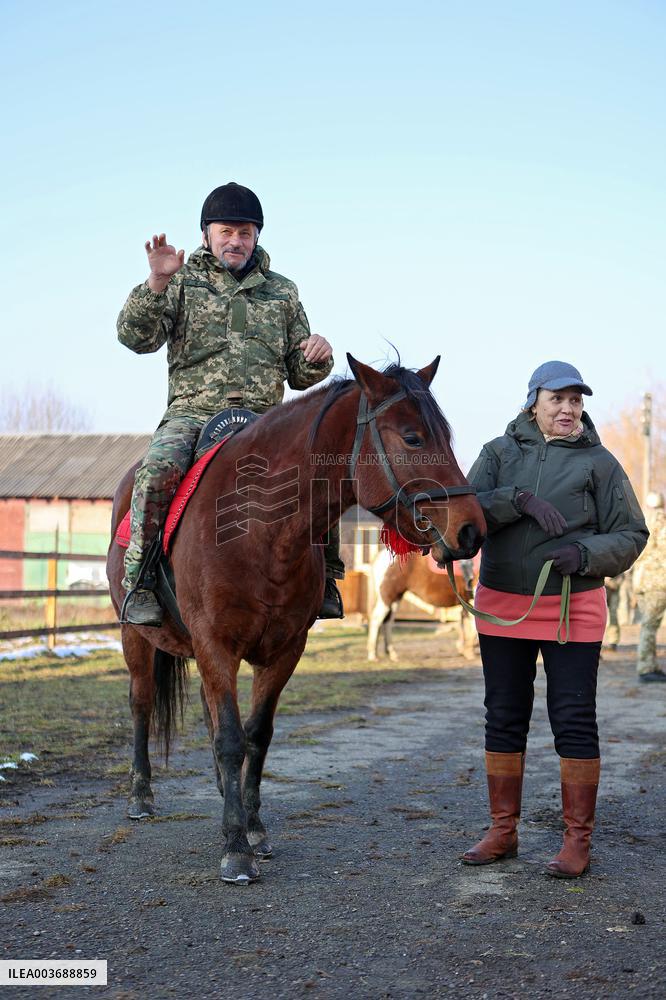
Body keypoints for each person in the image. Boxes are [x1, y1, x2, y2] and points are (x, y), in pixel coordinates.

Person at [117, 182, 344, 626]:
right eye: (226, 231)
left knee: (324, 467)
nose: (235, 240)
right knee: (156, 470)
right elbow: (135, 339)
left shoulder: (283, 292)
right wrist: (156, 283)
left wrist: (318, 355)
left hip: (264, 421)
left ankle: (328, 580)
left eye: (245, 232)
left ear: (257, 237)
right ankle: (140, 583)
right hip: (192, 415)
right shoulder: (179, 281)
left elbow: (300, 374)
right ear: (207, 235)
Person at [461, 361, 648, 878]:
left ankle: (577, 841)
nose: (568, 409)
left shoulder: (600, 463)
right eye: (557, 399)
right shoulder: (497, 453)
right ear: (533, 403)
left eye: (576, 401)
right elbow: (468, 511)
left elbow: (632, 533)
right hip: (502, 604)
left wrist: (584, 555)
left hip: (572, 607)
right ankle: (503, 831)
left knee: (572, 718)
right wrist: (516, 499)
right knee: (503, 714)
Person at [634, 491, 666, 682]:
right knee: (650, 625)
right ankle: (646, 668)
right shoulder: (662, 523)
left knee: (648, 624)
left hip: (642, 581)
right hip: (658, 581)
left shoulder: (640, 520)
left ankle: (651, 665)